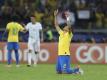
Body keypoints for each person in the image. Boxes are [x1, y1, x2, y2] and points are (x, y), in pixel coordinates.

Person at [54, 10, 82, 74]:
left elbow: (69, 25)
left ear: (68, 29)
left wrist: (67, 17)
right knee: (58, 71)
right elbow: (56, 25)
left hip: (65, 54)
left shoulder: (69, 34)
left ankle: (77, 70)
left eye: (66, 26)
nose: (65, 26)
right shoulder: (61, 33)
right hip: (60, 54)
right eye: (65, 26)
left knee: (66, 71)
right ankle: (75, 71)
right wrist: (55, 16)